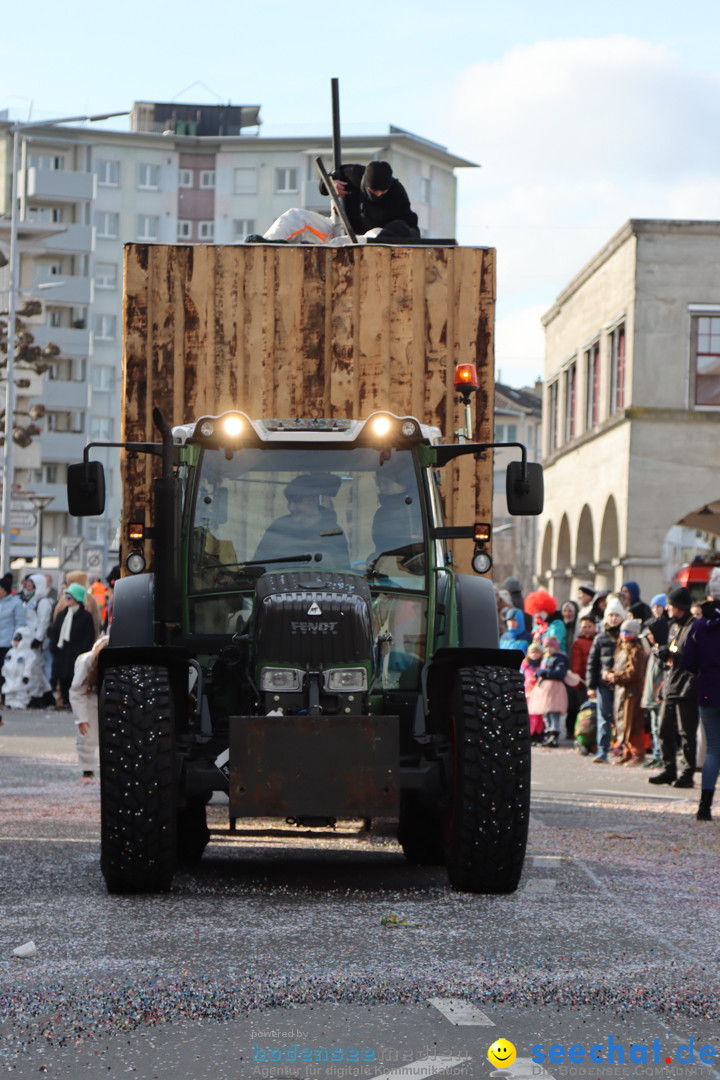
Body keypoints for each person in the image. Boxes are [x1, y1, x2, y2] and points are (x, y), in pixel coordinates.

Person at [249, 161, 419, 246]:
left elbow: (411, 227)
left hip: (364, 243)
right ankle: (267, 244)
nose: (378, 195)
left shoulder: (397, 194)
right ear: (365, 184)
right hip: (336, 229)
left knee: (377, 234)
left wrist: (393, 233)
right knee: (295, 216)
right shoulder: (352, 174)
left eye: (383, 192)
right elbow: (324, 183)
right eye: (373, 191)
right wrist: (330, 185)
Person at [680, 568, 720, 820]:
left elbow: (687, 661)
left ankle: (704, 806)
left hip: (709, 689)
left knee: (713, 749)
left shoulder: (699, 625)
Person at [648, 586, 698, 788]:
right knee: (664, 729)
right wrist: (663, 654)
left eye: (670, 604)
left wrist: (671, 656)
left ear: (679, 607)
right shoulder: (675, 626)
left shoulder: (694, 627)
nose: (667, 608)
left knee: (687, 733)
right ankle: (669, 769)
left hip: (686, 686)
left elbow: (694, 659)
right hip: (671, 684)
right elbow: (671, 655)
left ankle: (687, 773)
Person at [253, 473, 350, 568]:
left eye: (297, 502)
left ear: (314, 500)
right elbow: (258, 566)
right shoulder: (279, 527)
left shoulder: (333, 532)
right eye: (289, 502)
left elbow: (344, 573)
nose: (291, 507)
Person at [585, 596, 625, 762]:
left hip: (622, 684)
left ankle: (622, 749)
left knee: (621, 718)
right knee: (604, 717)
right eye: (610, 615)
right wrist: (591, 686)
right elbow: (592, 663)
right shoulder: (600, 638)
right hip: (603, 684)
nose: (613, 619)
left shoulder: (626, 636)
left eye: (616, 615)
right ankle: (602, 750)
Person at [604, 617, 647, 765]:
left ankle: (638, 753)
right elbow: (619, 668)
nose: (623, 635)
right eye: (622, 631)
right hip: (621, 691)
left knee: (631, 723)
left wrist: (614, 677)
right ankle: (627, 751)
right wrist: (609, 673)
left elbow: (634, 673)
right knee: (621, 722)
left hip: (632, 692)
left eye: (627, 632)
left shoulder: (637, 651)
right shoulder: (621, 649)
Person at [48, 584, 96, 709]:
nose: (67, 599)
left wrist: (83, 652)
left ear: (77, 598)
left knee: (75, 678)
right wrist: (53, 647)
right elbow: (55, 631)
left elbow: (89, 635)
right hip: (62, 652)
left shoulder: (86, 616)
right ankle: (64, 701)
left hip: (76, 653)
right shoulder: (62, 614)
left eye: (70, 597)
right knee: (62, 678)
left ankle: (72, 703)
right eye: (66, 596)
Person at [527, 635, 580, 747]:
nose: (548, 649)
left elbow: (560, 673)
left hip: (554, 689)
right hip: (545, 690)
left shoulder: (559, 658)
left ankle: (554, 735)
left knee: (553, 713)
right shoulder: (546, 659)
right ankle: (548, 734)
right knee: (546, 713)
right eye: (546, 647)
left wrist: (545, 672)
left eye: (551, 647)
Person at [69, 633, 109, 781]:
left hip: (112, 696)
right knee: (87, 735)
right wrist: (81, 718)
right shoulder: (86, 661)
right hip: (90, 697)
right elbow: (77, 691)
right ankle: (88, 770)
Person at [20, 573, 55, 708]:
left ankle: (36, 696)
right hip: (27, 638)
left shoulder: (43, 601)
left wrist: (38, 638)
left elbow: (43, 621)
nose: (27, 587)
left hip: (36, 640)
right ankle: (48, 695)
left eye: (30, 585)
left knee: (35, 668)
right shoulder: (29, 600)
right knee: (37, 669)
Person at [641, 617, 668, 769]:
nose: (649, 637)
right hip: (651, 695)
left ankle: (662, 756)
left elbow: (664, 674)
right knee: (654, 727)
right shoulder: (653, 650)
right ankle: (657, 755)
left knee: (660, 727)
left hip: (659, 695)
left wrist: (660, 691)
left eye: (651, 634)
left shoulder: (662, 651)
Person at [0, 574, 25, 698]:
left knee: (6, 670)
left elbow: (19, 623)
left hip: (7, 642)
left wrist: (16, 639)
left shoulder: (16, 603)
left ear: (5, 590)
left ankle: (5, 695)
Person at [521, 642, 545, 744]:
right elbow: (521, 678)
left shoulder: (542, 666)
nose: (534, 655)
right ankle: (530, 734)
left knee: (539, 715)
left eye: (537, 652)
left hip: (539, 693)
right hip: (528, 694)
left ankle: (539, 734)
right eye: (532, 652)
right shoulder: (525, 666)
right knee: (530, 715)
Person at [1, 631, 32, 709]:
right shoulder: (11, 652)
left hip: (20, 677)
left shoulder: (27, 653)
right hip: (10, 677)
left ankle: (21, 704)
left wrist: (26, 675)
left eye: (18, 641)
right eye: (15, 641)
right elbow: (6, 663)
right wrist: (4, 673)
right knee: (9, 691)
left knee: (21, 692)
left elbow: (28, 665)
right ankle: (10, 703)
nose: (16, 643)